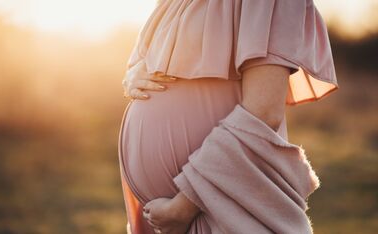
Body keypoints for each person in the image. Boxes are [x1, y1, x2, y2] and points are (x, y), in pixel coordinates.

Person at [118, 0, 339, 233]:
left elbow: (262, 113)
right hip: (159, 213)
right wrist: (132, 75)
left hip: (220, 208)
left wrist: (183, 206)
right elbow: (145, 60)